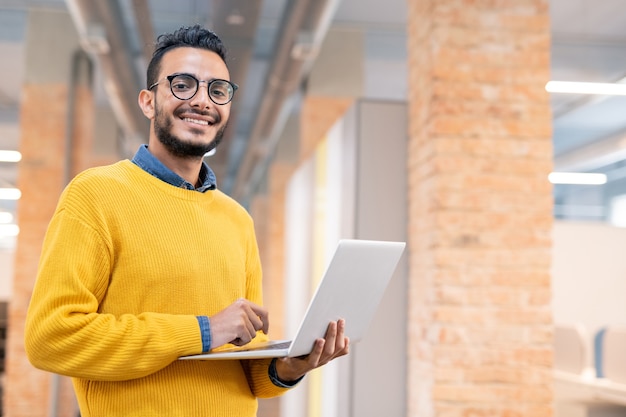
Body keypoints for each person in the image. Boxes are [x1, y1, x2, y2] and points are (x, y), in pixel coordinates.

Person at [24, 24, 349, 416]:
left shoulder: (237, 220)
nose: (202, 101)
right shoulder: (95, 195)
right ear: (147, 101)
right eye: (183, 84)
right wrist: (203, 330)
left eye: (217, 90)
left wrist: (289, 367)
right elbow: (51, 338)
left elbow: (245, 372)